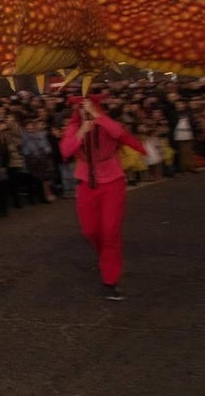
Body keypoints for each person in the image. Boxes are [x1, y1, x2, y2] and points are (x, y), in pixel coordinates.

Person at [60, 94, 148, 301]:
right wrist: (82, 131)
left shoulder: (107, 123)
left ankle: (110, 280)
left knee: (110, 232)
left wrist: (97, 116)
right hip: (86, 183)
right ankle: (106, 257)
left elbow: (118, 132)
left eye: (88, 107)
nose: (84, 111)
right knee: (90, 230)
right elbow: (65, 151)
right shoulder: (74, 128)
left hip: (112, 182)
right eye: (81, 108)